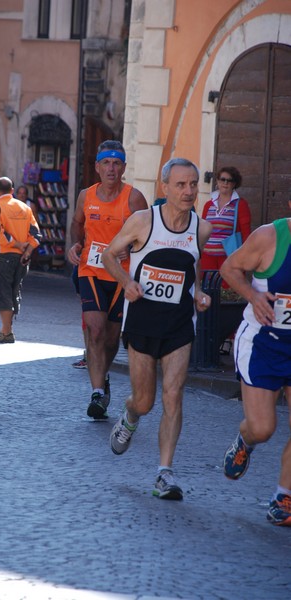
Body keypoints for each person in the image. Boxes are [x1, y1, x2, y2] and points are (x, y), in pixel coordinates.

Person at [102, 158, 212, 500]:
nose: (189, 191)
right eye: (181, 185)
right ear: (165, 187)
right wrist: (126, 281)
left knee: (173, 395)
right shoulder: (143, 221)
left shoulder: (201, 229)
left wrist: (199, 294)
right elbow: (109, 255)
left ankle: (165, 473)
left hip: (179, 324)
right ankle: (131, 415)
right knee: (146, 400)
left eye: (193, 184)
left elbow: (190, 271)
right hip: (142, 321)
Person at [67, 140, 148, 419]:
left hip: (121, 277)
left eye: (117, 163)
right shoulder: (85, 196)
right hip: (90, 269)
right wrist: (75, 245)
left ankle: (103, 377)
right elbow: (77, 223)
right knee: (96, 330)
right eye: (106, 163)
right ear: (97, 167)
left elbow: (147, 236)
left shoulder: (134, 198)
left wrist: (133, 248)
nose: (111, 168)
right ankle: (97, 392)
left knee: (112, 340)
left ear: (123, 168)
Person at [221, 210, 291, 527]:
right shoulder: (269, 237)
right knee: (263, 428)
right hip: (263, 344)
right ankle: (245, 441)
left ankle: (283, 497)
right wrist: (253, 295)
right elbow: (229, 267)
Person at [0, 176, 41, 343]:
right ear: (12, 191)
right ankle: (8, 329)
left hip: (4, 255)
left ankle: (6, 332)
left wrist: (18, 245)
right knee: (14, 291)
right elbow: (36, 234)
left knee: (2, 291)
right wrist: (27, 251)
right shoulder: (25, 207)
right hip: (22, 258)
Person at [200, 166, 251, 281]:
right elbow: (202, 229)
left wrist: (244, 258)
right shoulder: (208, 205)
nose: (225, 183)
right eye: (222, 179)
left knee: (227, 291)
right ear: (217, 181)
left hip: (228, 257)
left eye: (230, 180)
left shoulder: (241, 204)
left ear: (235, 184)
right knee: (208, 290)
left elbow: (246, 234)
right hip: (207, 257)